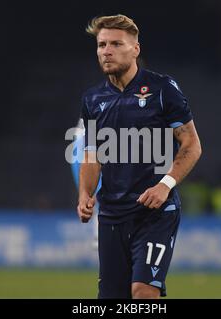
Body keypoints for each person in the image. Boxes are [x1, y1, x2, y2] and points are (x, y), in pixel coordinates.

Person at [77, 14, 202, 299]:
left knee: (143, 292)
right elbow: (92, 155)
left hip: (154, 214)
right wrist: (85, 194)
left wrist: (164, 185)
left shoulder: (162, 90)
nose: (106, 51)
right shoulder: (92, 100)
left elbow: (192, 144)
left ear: (135, 49)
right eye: (101, 44)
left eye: (116, 44)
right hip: (111, 215)